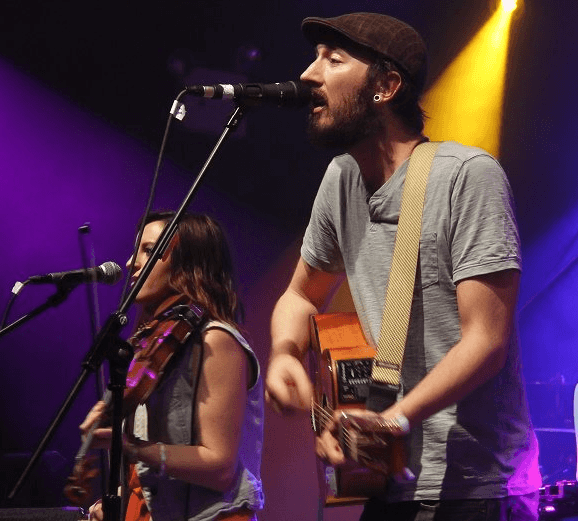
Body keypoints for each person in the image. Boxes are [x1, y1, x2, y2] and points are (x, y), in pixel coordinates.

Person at [265, 12, 541, 521]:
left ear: (386, 86)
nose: (308, 74)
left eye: (333, 60)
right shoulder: (342, 178)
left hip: (475, 487)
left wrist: (395, 419)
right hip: (388, 481)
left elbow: (486, 341)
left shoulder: (468, 176)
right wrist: (284, 352)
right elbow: (301, 296)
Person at [81, 211, 264, 521]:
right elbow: (154, 480)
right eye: (135, 251)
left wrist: (132, 448)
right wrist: (119, 501)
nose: (131, 263)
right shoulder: (150, 348)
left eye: (148, 251)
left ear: (187, 264)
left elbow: (219, 467)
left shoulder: (216, 341)